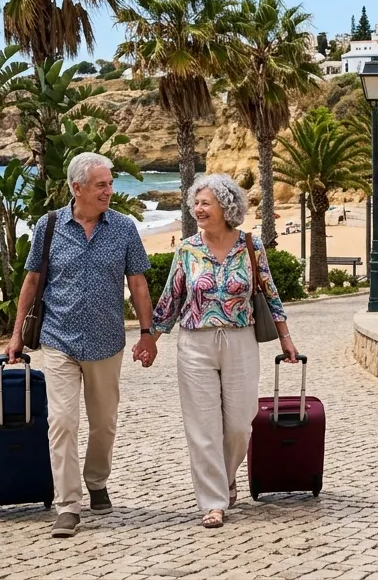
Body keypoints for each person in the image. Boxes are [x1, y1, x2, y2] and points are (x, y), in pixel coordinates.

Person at [6, 152, 154, 539]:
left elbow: (138, 284)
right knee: (62, 422)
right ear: (78, 188)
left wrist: (147, 332)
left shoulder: (123, 228)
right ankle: (68, 505)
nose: (109, 190)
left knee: (104, 423)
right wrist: (17, 333)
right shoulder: (49, 225)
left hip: (107, 342)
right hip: (59, 339)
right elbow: (32, 281)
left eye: (110, 183)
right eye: (101, 184)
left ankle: (97, 479)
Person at [151, 174, 298, 529]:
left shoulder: (251, 245)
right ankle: (213, 501)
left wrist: (285, 338)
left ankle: (226, 475)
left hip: (240, 339)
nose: (198, 210)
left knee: (238, 423)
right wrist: (150, 339)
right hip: (195, 342)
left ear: (225, 207)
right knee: (202, 426)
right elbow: (172, 297)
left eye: (205, 203)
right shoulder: (187, 249)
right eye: (195, 203)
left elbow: (270, 292)